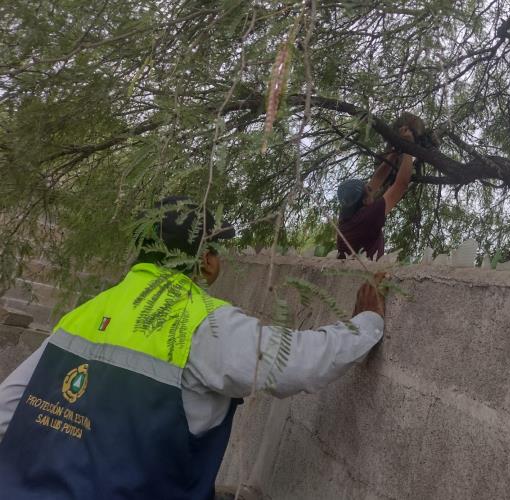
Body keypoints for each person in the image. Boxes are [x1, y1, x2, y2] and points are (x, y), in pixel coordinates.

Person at [0, 196, 385, 499]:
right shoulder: (200, 322)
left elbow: (8, 407)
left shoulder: (87, 311)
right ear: (203, 260)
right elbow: (295, 364)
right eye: (216, 249)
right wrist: (365, 324)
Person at [336, 125, 416, 259]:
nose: (371, 187)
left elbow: (377, 179)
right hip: (364, 275)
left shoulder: (347, 214)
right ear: (365, 200)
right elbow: (401, 185)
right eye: (368, 190)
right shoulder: (367, 217)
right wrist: (409, 148)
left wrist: (393, 154)